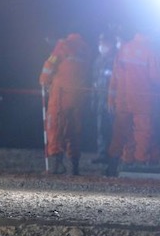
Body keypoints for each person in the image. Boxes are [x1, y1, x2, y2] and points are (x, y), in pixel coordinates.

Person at [106, 29, 160, 176]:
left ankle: (116, 165)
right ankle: (139, 165)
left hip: (122, 100)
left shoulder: (124, 48)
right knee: (143, 133)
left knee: (121, 133)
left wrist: (111, 99)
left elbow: (114, 78)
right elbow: (156, 77)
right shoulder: (151, 50)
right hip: (143, 101)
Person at [39, 31, 92, 175]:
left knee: (55, 128)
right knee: (74, 131)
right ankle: (74, 166)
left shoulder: (63, 46)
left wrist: (44, 81)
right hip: (78, 96)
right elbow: (86, 71)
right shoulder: (86, 49)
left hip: (60, 95)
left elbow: (49, 65)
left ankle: (57, 165)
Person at [90, 31, 117, 165]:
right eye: (100, 43)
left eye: (104, 43)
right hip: (100, 101)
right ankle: (102, 154)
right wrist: (93, 101)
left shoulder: (116, 60)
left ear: (111, 44)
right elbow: (94, 82)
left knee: (114, 129)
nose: (101, 45)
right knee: (101, 129)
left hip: (113, 102)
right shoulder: (98, 61)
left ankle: (114, 155)